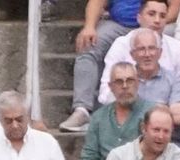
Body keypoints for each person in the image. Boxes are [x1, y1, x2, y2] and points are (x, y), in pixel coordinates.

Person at [62, 0, 151, 132]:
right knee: (88, 44)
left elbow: (174, 6)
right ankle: (82, 110)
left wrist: (153, 22)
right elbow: (96, 2)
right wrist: (89, 27)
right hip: (117, 25)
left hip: (151, 25)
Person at [82, 64, 145, 160]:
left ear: (138, 83)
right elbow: (89, 157)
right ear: (110, 86)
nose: (125, 86)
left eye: (130, 80)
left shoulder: (151, 113)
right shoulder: (98, 117)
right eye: (119, 82)